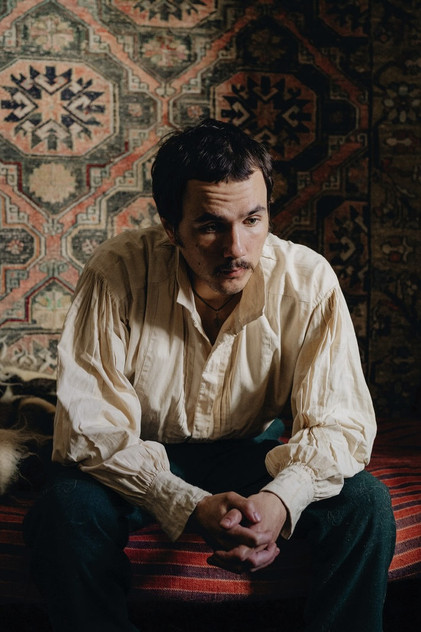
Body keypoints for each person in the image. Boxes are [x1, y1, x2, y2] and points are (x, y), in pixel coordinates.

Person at [24, 119, 395, 632]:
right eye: (210, 226)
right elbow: (93, 432)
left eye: (253, 220)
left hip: (246, 451)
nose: (236, 248)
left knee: (365, 503)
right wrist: (189, 504)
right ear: (170, 226)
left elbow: (341, 424)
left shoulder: (307, 281)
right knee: (64, 510)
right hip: (142, 450)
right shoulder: (117, 272)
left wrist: (280, 500)